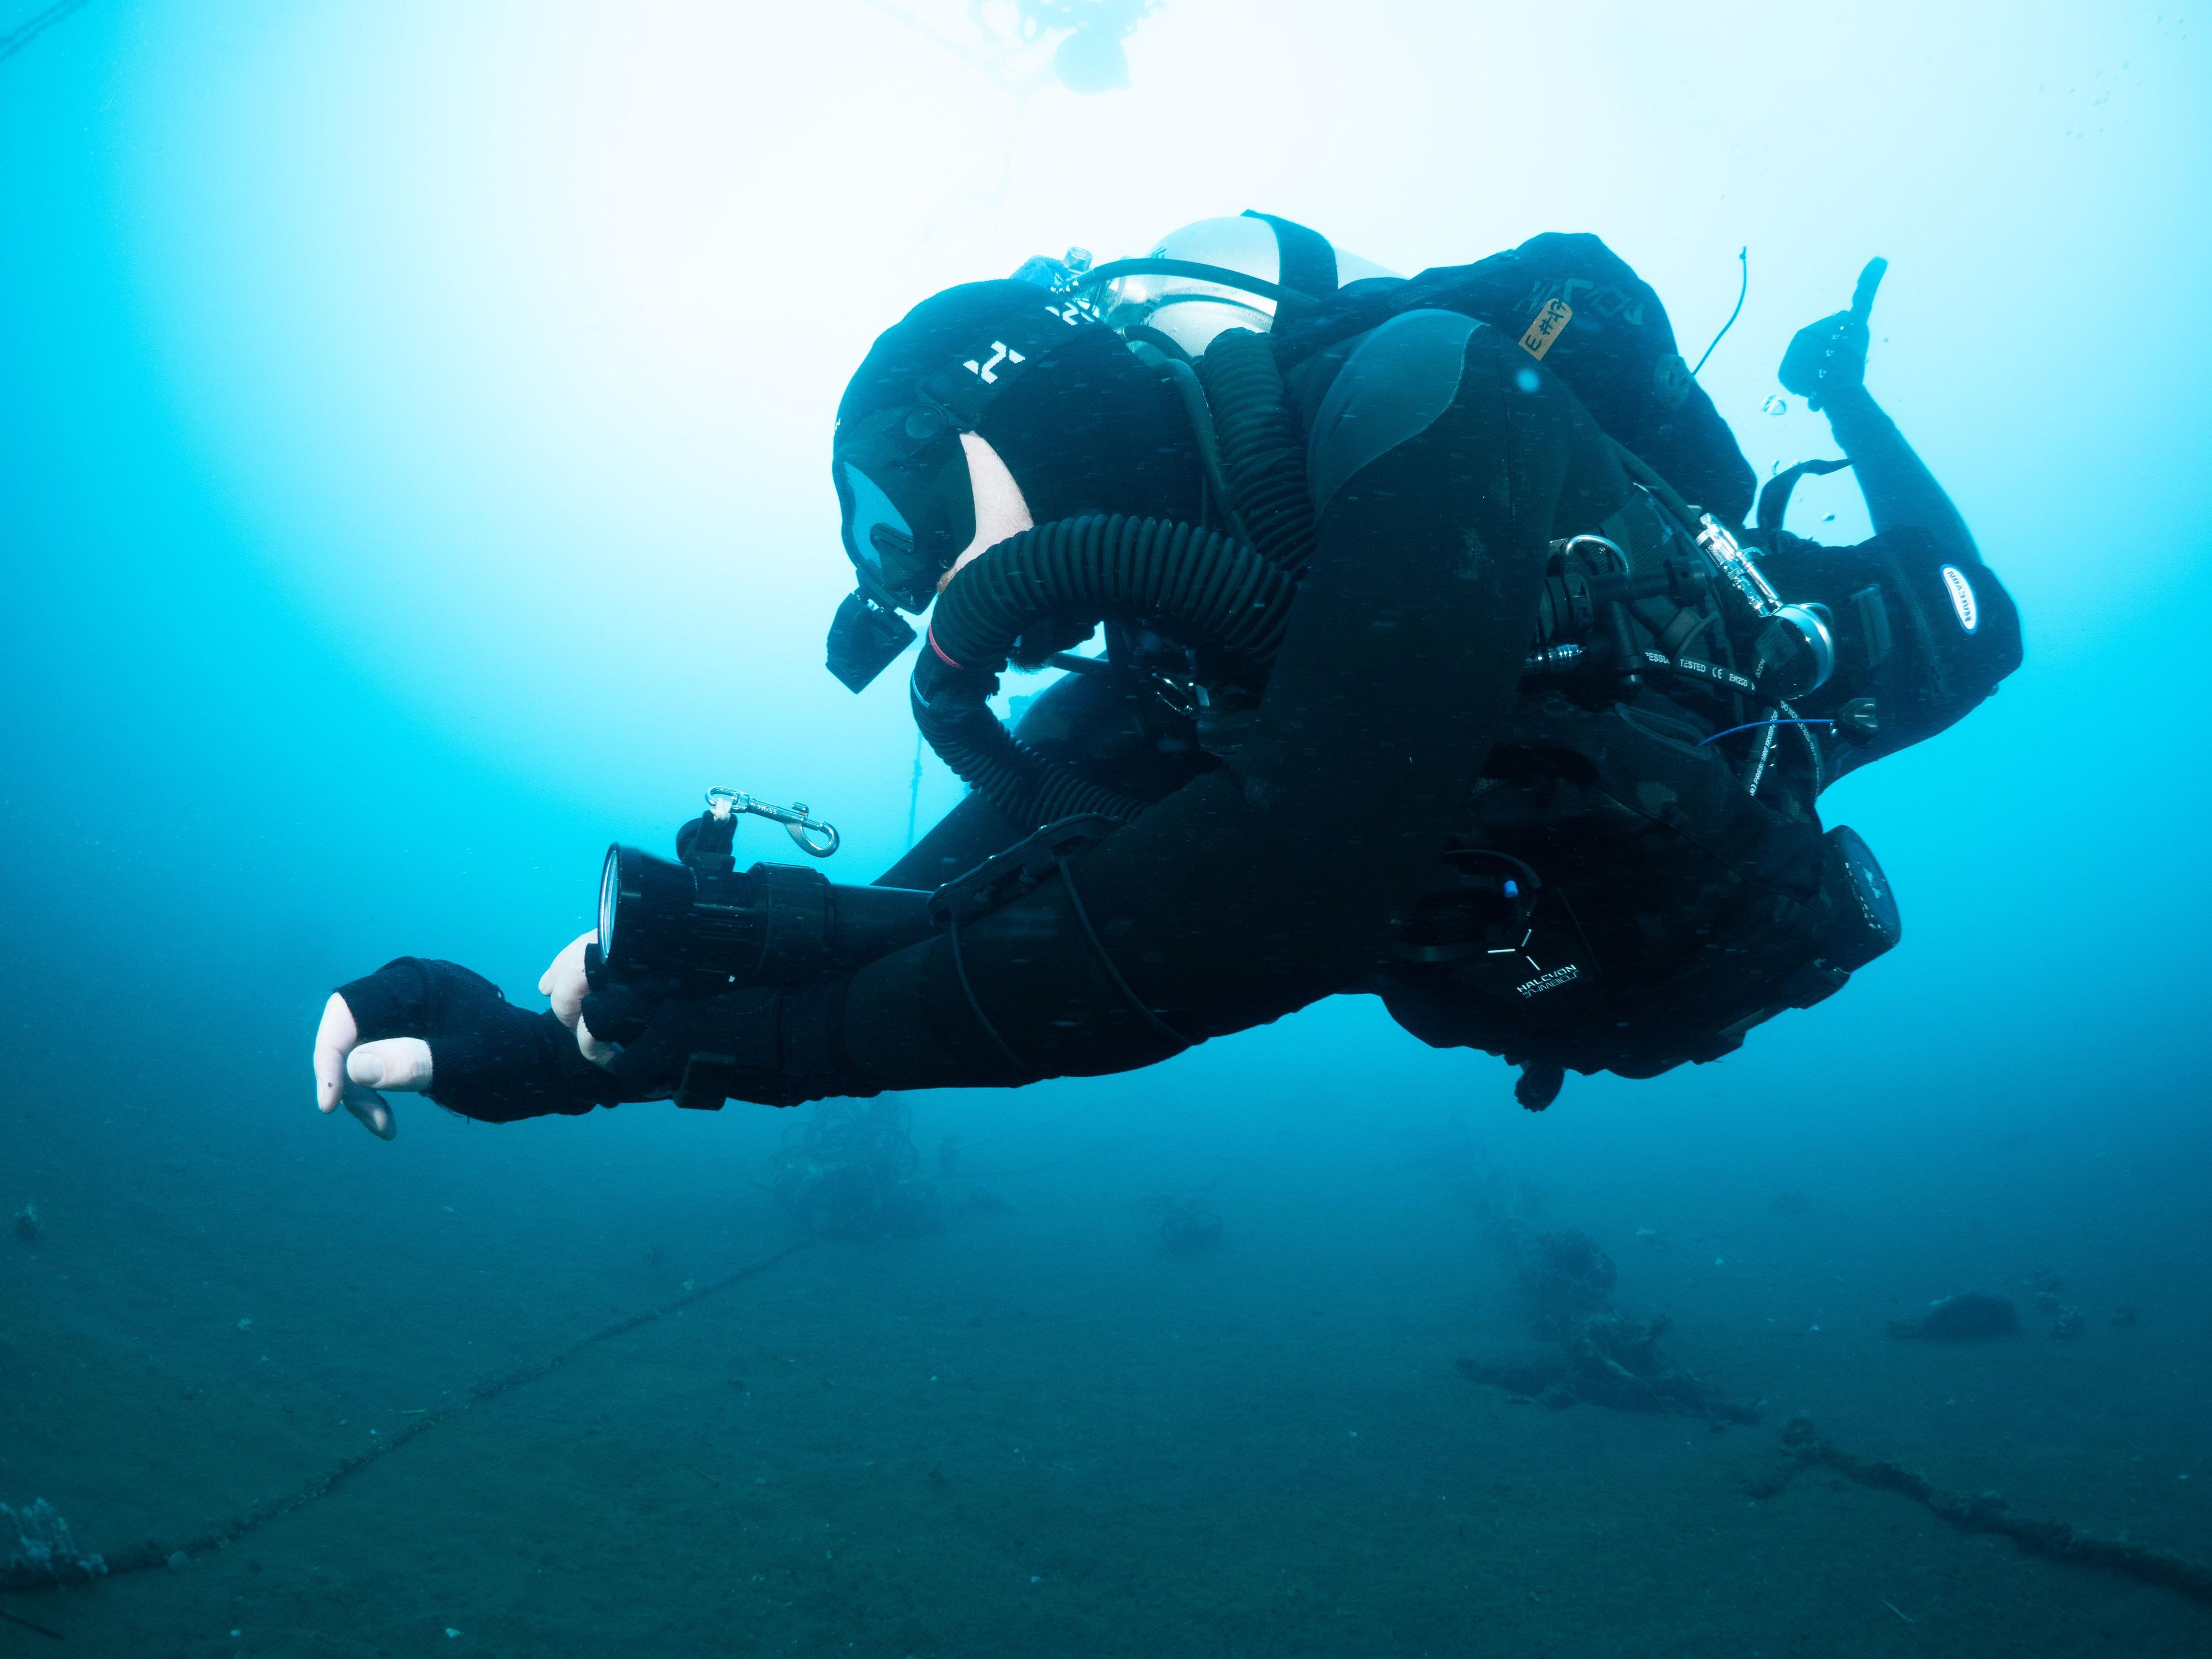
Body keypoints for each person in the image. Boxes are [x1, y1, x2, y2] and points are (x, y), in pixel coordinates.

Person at [313, 218, 2020, 1137]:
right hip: (1591, 906)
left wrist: (737, 1032)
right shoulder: (1181, 670)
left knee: (1963, 645)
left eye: (901, 521)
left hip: (1773, 681)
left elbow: (1264, 899)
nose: (907, 592)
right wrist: (544, 1045)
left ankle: (1841, 388)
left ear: (1017, 430)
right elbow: (942, 915)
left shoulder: (1429, 394)